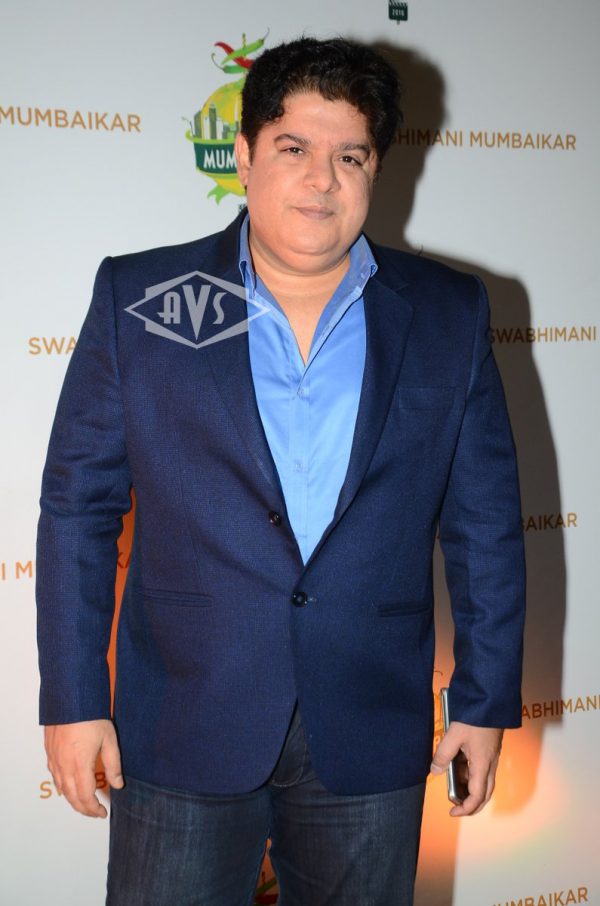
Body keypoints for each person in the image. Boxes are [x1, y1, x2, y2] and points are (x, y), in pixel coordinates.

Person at [36, 36, 526, 906]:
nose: (322, 180)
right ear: (245, 155)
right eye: (294, 148)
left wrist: (484, 703)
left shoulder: (448, 312)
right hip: (184, 719)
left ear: (376, 169)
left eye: (350, 156)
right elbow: (79, 509)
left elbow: (485, 524)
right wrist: (75, 699)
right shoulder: (144, 300)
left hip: (370, 725)